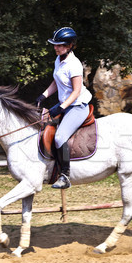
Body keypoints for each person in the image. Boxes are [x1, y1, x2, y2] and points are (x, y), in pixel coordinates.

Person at [35, 27, 93, 189]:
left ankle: (65, 176)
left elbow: (76, 91)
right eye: (55, 44)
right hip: (65, 104)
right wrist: (43, 95)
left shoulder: (74, 65)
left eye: (59, 45)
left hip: (77, 105)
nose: (56, 47)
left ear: (69, 46)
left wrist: (60, 107)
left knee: (60, 137)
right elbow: (56, 82)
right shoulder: (59, 60)